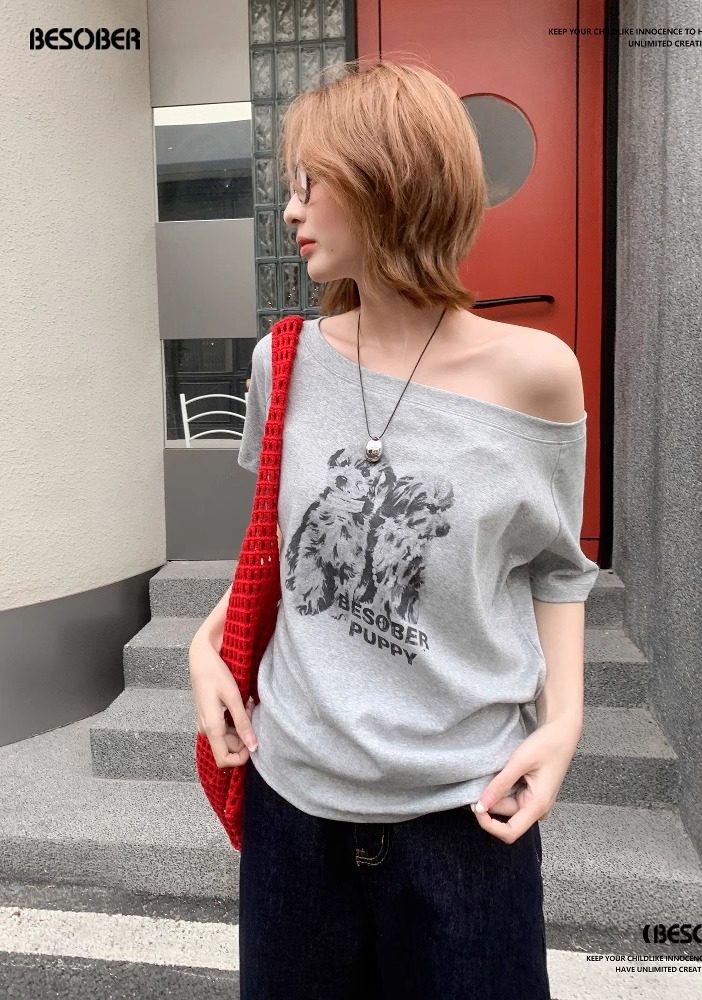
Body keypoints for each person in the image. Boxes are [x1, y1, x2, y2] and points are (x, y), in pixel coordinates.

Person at [189, 58, 600, 1000]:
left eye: (311, 183)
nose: (290, 211)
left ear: (388, 181)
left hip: (467, 818)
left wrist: (566, 722)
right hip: (294, 812)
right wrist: (206, 647)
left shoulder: (537, 375)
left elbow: (556, 567)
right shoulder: (282, 362)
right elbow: (281, 548)